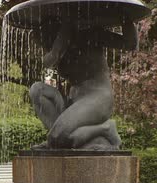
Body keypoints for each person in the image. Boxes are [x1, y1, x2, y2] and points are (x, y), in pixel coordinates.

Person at [29, 15, 138, 150]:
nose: (42, 43)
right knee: (37, 89)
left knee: (58, 138)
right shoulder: (53, 52)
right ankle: (58, 138)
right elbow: (53, 58)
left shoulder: (91, 35)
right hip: (74, 101)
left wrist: (124, 16)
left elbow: (130, 44)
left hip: (97, 98)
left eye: (44, 38)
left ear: (55, 31)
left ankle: (105, 128)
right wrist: (65, 33)